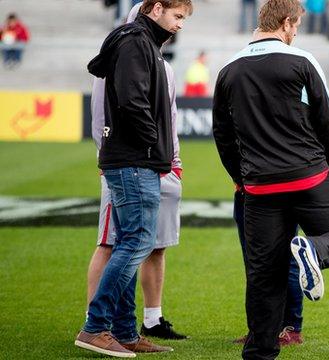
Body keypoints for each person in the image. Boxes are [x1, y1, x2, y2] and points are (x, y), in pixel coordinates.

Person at [212, 1, 329, 358]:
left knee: (264, 276)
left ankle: (260, 352)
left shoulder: (228, 70)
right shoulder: (302, 61)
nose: (296, 32)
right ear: (287, 22)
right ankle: (311, 251)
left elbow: (222, 134)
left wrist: (240, 178)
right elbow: (327, 123)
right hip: (308, 176)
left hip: (259, 187)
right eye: (297, 25)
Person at [76, 0, 192, 357]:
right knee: (137, 243)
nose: (180, 25)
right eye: (177, 16)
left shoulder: (142, 44)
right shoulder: (135, 42)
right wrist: (154, 148)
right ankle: (95, 327)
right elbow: (131, 101)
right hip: (133, 160)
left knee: (130, 241)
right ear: (156, 9)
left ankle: (125, 332)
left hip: (133, 159)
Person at [232, 190, 305, 346]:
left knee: (283, 259)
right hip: (255, 190)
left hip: (263, 189)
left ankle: (290, 328)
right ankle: (261, 331)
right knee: (256, 264)